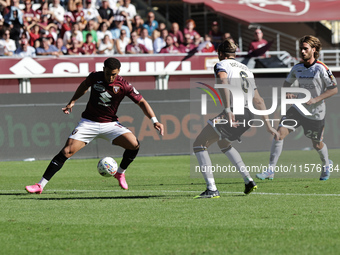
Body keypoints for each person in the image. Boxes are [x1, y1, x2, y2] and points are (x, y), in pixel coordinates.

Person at [25, 57, 164, 194]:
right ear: (103, 70)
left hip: (110, 124)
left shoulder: (124, 85)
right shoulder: (94, 77)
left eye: (113, 74)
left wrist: (155, 121)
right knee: (67, 151)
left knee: (134, 145)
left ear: (119, 71)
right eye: (108, 73)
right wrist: (72, 101)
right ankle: (40, 185)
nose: (110, 77)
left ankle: (120, 173)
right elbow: (84, 86)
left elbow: (142, 102)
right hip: (88, 123)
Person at [193, 39, 279, 198]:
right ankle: (248, 181)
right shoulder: (246, 69)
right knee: (223, 143)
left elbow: (223, 80)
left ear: (220, 54)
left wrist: (227, 110)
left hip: (235, 111)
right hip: (249, 114)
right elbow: (258, 100)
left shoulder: (222, 65)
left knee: (199, 144)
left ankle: (211, 189)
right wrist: (268, 125)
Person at [256, 35, 338, 181]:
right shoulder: (297, 68)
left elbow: (334, 89)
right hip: (298, 109)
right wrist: (290, 94)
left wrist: (315, 99)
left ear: (313, 50)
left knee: (317, 144)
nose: (302, 51)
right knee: (278, 134)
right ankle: (270, 170)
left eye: (305, 49)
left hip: (315, 113)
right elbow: (286, 85)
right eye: (301, 49)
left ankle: (326, 164)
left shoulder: (321, 68)